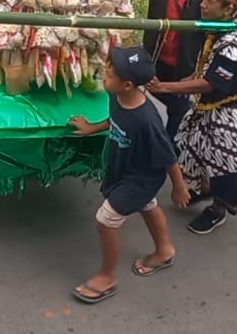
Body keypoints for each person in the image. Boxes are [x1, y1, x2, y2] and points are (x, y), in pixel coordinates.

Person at [147, 0, 237, 234]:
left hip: (230, 111)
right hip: (209, 105)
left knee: (224, 163)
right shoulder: (215, 30)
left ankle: (219, 208)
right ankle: (205, 190)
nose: (201, 4)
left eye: (208, 1)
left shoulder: (234, 43)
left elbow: (211, 82)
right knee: (198, 150)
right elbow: (205, 69)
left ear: (227, 10)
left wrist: (167, 87)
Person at [69, 46, 190, 304]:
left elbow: (168, 156)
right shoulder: (117, 96)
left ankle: (107, 276)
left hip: (142, 177)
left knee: (105, 220)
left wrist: (179, 187)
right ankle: (164, 250)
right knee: (147, 206)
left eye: (110, 73)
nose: (104, 73)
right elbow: (115, 119)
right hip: (124, 168)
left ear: (127, 85)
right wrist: (92, 128)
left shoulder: (147, 121)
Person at [129, 0, 211, 145]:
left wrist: (200, 67)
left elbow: (211, 34)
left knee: (178, 109)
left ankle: (168, 152)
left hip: (184, 63)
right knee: (136, 89)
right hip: (155, 55)